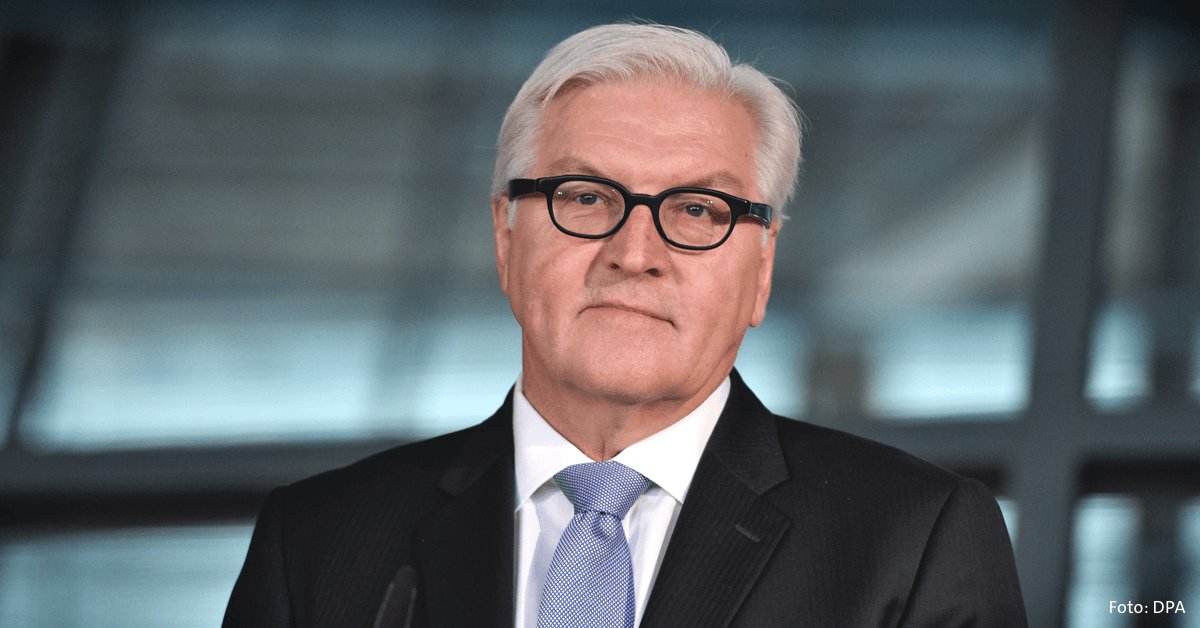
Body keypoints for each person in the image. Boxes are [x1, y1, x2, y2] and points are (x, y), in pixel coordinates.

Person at [224, 23, 1028, 628]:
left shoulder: (913, 540)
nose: (635, 252)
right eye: (584, 197)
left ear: (761, 269)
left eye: (698, 209)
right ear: (506, 236)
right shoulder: (320, 543)